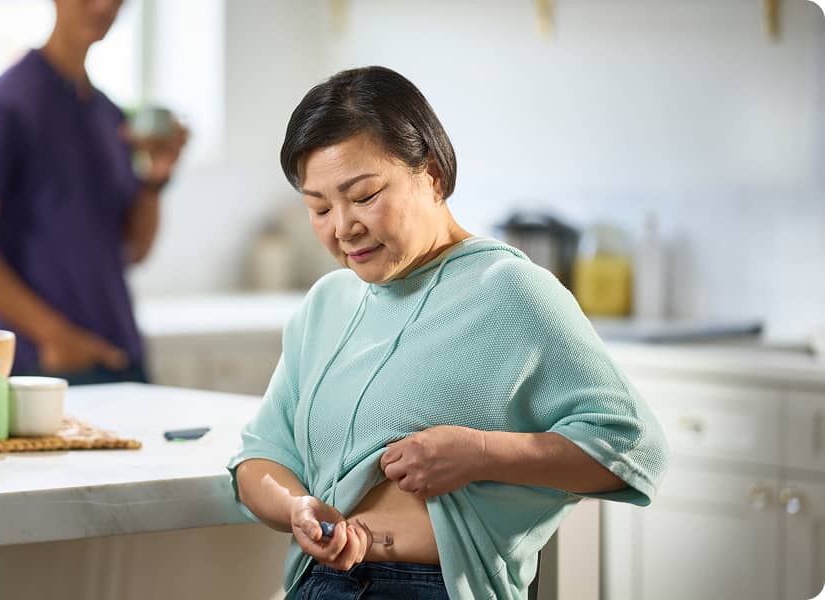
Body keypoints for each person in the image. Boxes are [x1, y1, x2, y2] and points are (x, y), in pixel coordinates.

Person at [228, 66, 668, 600]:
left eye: (363, 196)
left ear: (431, 174)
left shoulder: (508, 290)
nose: (343, 227)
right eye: (320, 207)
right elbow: (260, 457)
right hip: (317, 584)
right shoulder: (326, 305)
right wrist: (295, 507)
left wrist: (480, 452)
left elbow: (633, 447)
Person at [0, 0, 186, 384]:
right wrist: (57, 338)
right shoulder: (3, 108)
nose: (104, 5)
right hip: (44, 368)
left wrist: (155, 179)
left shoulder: (108, 115)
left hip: (120, 353)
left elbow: (134, 249)